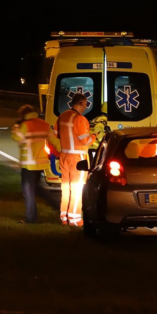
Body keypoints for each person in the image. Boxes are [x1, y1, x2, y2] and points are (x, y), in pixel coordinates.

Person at [11, 104, 58, 224]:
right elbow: (54, 141)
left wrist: (16, 126)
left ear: (23, 115)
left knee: (28, 191)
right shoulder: (44, 124)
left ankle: (31, 219)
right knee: (37, 188)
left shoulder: (25, 125)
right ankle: (56, 205)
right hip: (41, 164)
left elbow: (16, 137)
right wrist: (63, 151)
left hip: (29, 165)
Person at [56, 94, 96, 226]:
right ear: (80, 103)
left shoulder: (62, 116)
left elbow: (57, 135)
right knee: (77, 189)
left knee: (66, 189)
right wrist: (95, 135)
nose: (85, 107)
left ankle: (64, 217)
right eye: (85, 104)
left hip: (64, 156)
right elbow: (85, 140)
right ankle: (75, 219)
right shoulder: (80, 119)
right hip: (78, 159)